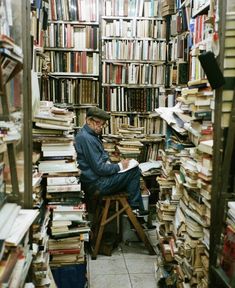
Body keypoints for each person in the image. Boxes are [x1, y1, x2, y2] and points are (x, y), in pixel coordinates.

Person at [74, 106, 148, 216]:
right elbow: (100, 168)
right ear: (89, 120)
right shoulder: (86, 138)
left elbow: (101, 160)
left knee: (130, 170)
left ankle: (135, 208)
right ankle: (135, 208)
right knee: (134, 171)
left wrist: (117, 165)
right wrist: (120, 166)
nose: (101, 127)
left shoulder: (90, 135)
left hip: (96, 181)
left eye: (103, 124)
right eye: (98, 123)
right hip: (96, 184)